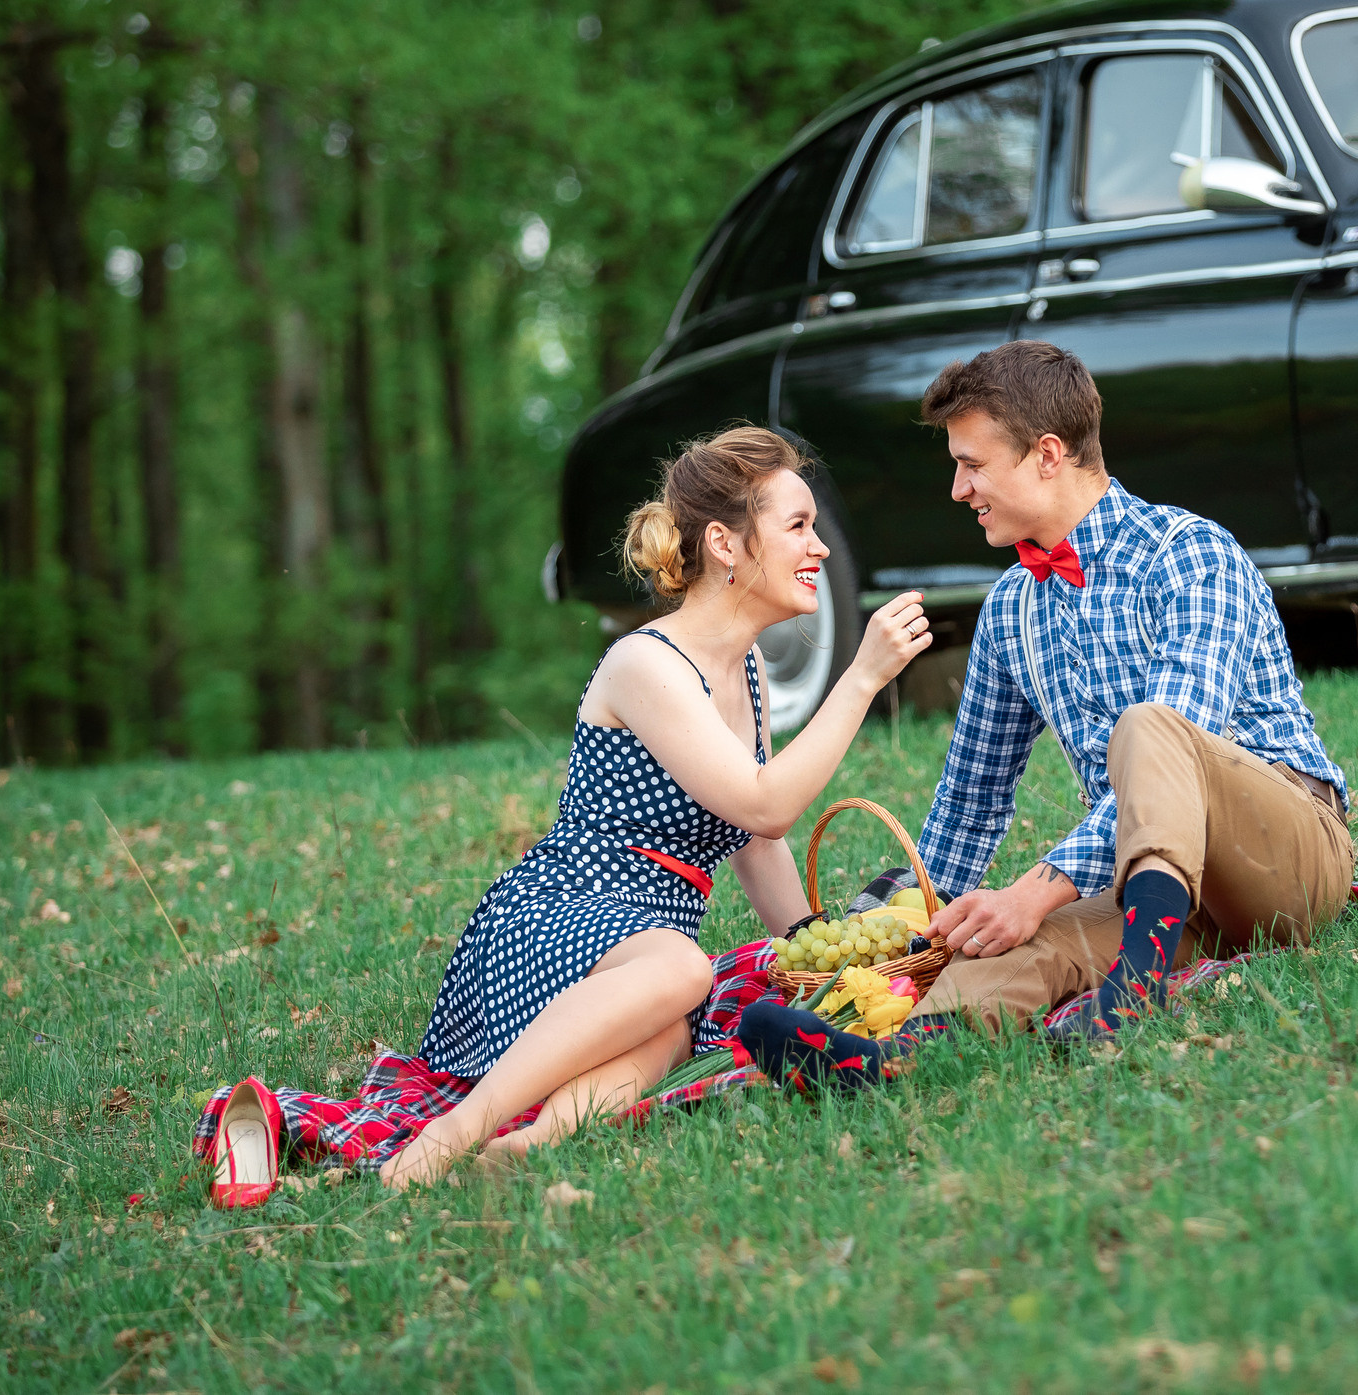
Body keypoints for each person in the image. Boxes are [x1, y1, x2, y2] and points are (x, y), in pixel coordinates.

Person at [322, 426, 931, 1191]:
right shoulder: (647, 663)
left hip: (640, 959)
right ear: (725, 543)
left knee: (675, 1026)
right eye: (799, 526)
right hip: (549, 924)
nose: (821, 549)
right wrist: (862, 676)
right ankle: (451, 1133)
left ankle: (530, 1145)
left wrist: (811, 949)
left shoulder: (745, 666)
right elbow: (766, 807)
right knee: (684, 971)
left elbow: (752, 840)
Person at [736, 342, 1352, 1087]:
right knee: (1015, 941)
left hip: (1287, 858)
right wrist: (911, 919)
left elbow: (1187, 735)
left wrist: (1038, 886)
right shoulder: (1010, 610)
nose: (959, 489)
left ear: (1048, 454)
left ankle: (1136, 986)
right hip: (1154, 885)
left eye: (973, 464)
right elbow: (970, 804)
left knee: (1148, 727)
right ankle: (887, 1055)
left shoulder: (1189, 554)